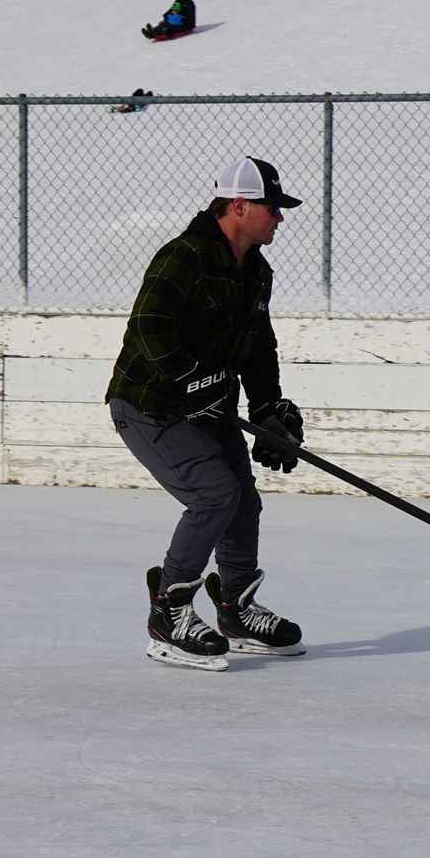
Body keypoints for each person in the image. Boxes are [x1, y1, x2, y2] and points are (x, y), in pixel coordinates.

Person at [106, 156, 311, 670]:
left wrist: (268, 408)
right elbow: (150, 326)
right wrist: (189, 379)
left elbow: (259, 345)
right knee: (214, 496)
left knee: (242, 501)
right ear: (238, 206)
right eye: (272, 208)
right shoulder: (184, 257)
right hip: (151, 405)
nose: (280, 218)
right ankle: (168, 614)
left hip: (208, 406)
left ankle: (236, 607)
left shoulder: (256, 271)